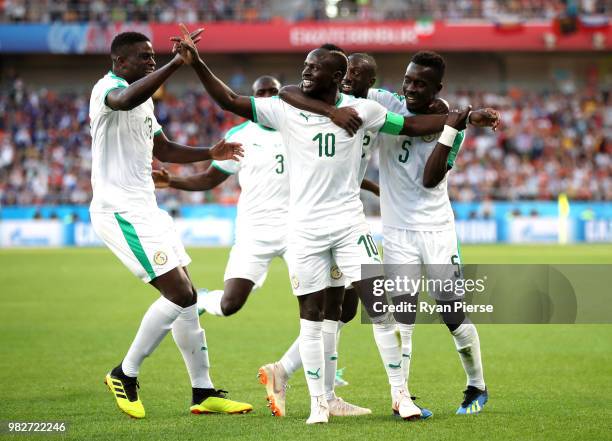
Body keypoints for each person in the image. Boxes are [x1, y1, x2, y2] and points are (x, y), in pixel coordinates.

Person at [171, 25, 497, 424]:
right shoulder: (286, 106)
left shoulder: (370, 110)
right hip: (305, 229)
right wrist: (198, 63)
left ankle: (404, 396)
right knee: (314, 315)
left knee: (378, 307)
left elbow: (410, 127)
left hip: (351, 225)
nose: (305, 72)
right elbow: (232, 99)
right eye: (305, 66)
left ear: (338, 78)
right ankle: (319, 405)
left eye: (314, 67)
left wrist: (462, 120)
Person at [276, 50, 496, 416]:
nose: (410, 88)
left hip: (436, 228)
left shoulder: (452, 125)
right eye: (407, 80)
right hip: (396, 231)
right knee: (402, 315)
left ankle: (476, 385)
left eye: (419, 83)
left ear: (436, 88)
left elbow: (429, 179)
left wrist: (457, 125)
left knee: (452, 313)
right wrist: (334, 96)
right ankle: (402, 398)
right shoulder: (383, 101)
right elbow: (305, 90)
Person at [153, 74, 376, 418]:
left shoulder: (298, 126)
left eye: (274, 91)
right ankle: (203, 301)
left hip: (299, 230)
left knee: (337, 308)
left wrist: (373, 187)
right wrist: (174, 182)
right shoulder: (240, 136)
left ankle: (313, 387)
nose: (270, 97)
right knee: (230, 305)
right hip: (254, 233)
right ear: (254, 99)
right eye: (262, 93)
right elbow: (211, 178)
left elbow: (334, 168)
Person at [89, 31, 251, 419]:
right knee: (178, 292)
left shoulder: (145, 104)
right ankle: (124, 373)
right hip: (120, 211)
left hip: (147, 208)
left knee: (189, 298)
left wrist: (208, 152)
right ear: (119, 62)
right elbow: (126, 99)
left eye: (153, 55)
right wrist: (177, 63)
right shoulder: (107, 89)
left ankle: (203, 391)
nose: (150, 60)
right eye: (143, 57)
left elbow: (162, 149)